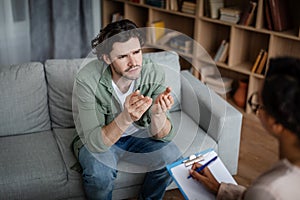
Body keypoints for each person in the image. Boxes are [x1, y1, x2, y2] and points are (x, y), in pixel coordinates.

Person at [72, 19, 181, 200]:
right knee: (100, 175)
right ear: (107, 58)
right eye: (122, 57)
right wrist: (125, 117)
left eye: (137, 52)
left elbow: (163, 136)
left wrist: (157, 114)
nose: (133, 62)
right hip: (102, 139)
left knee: (172, 157)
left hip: (138, 136)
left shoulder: (153, 73)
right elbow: (95, 143)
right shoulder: (87, 79)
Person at [189, 57, 300, 199]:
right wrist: (220, 189)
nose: (258, 111)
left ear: (276, 123)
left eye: (259, 105)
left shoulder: (268, 189)